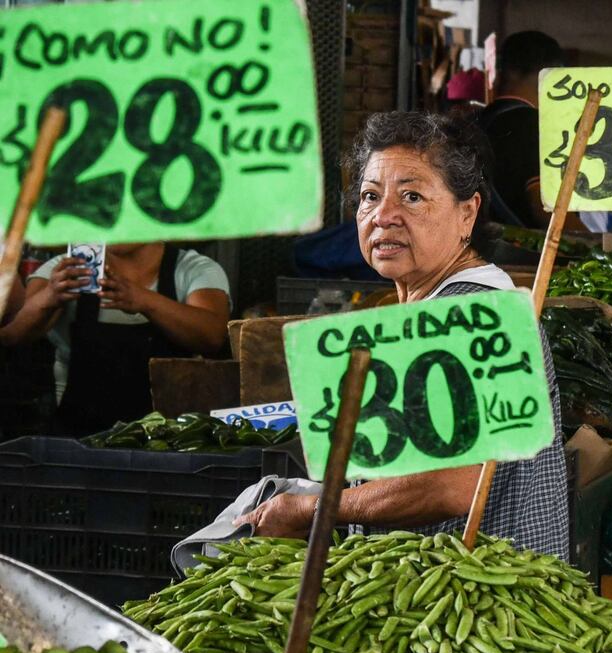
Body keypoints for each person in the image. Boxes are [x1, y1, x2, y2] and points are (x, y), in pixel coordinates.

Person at [234, 111, 570, 560]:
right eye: (370, 196)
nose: (384, 216)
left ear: (467, 212)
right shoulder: (434, 307)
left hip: (482, 609)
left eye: (412, 197)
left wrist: (311, 509)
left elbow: (452, 485)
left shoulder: (469, 311)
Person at [0, 243, 230, 435]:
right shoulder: (68, 268)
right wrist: (51, 295)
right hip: (77, 441)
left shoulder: (193, 269)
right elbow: (11, 333)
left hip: (167, 441)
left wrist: (145, 301)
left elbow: (212, 336)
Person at [479, 30, 569, 230]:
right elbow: (544, 209)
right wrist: (594, 242)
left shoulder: (476, 119)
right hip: (519, 254)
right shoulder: (534, 125)